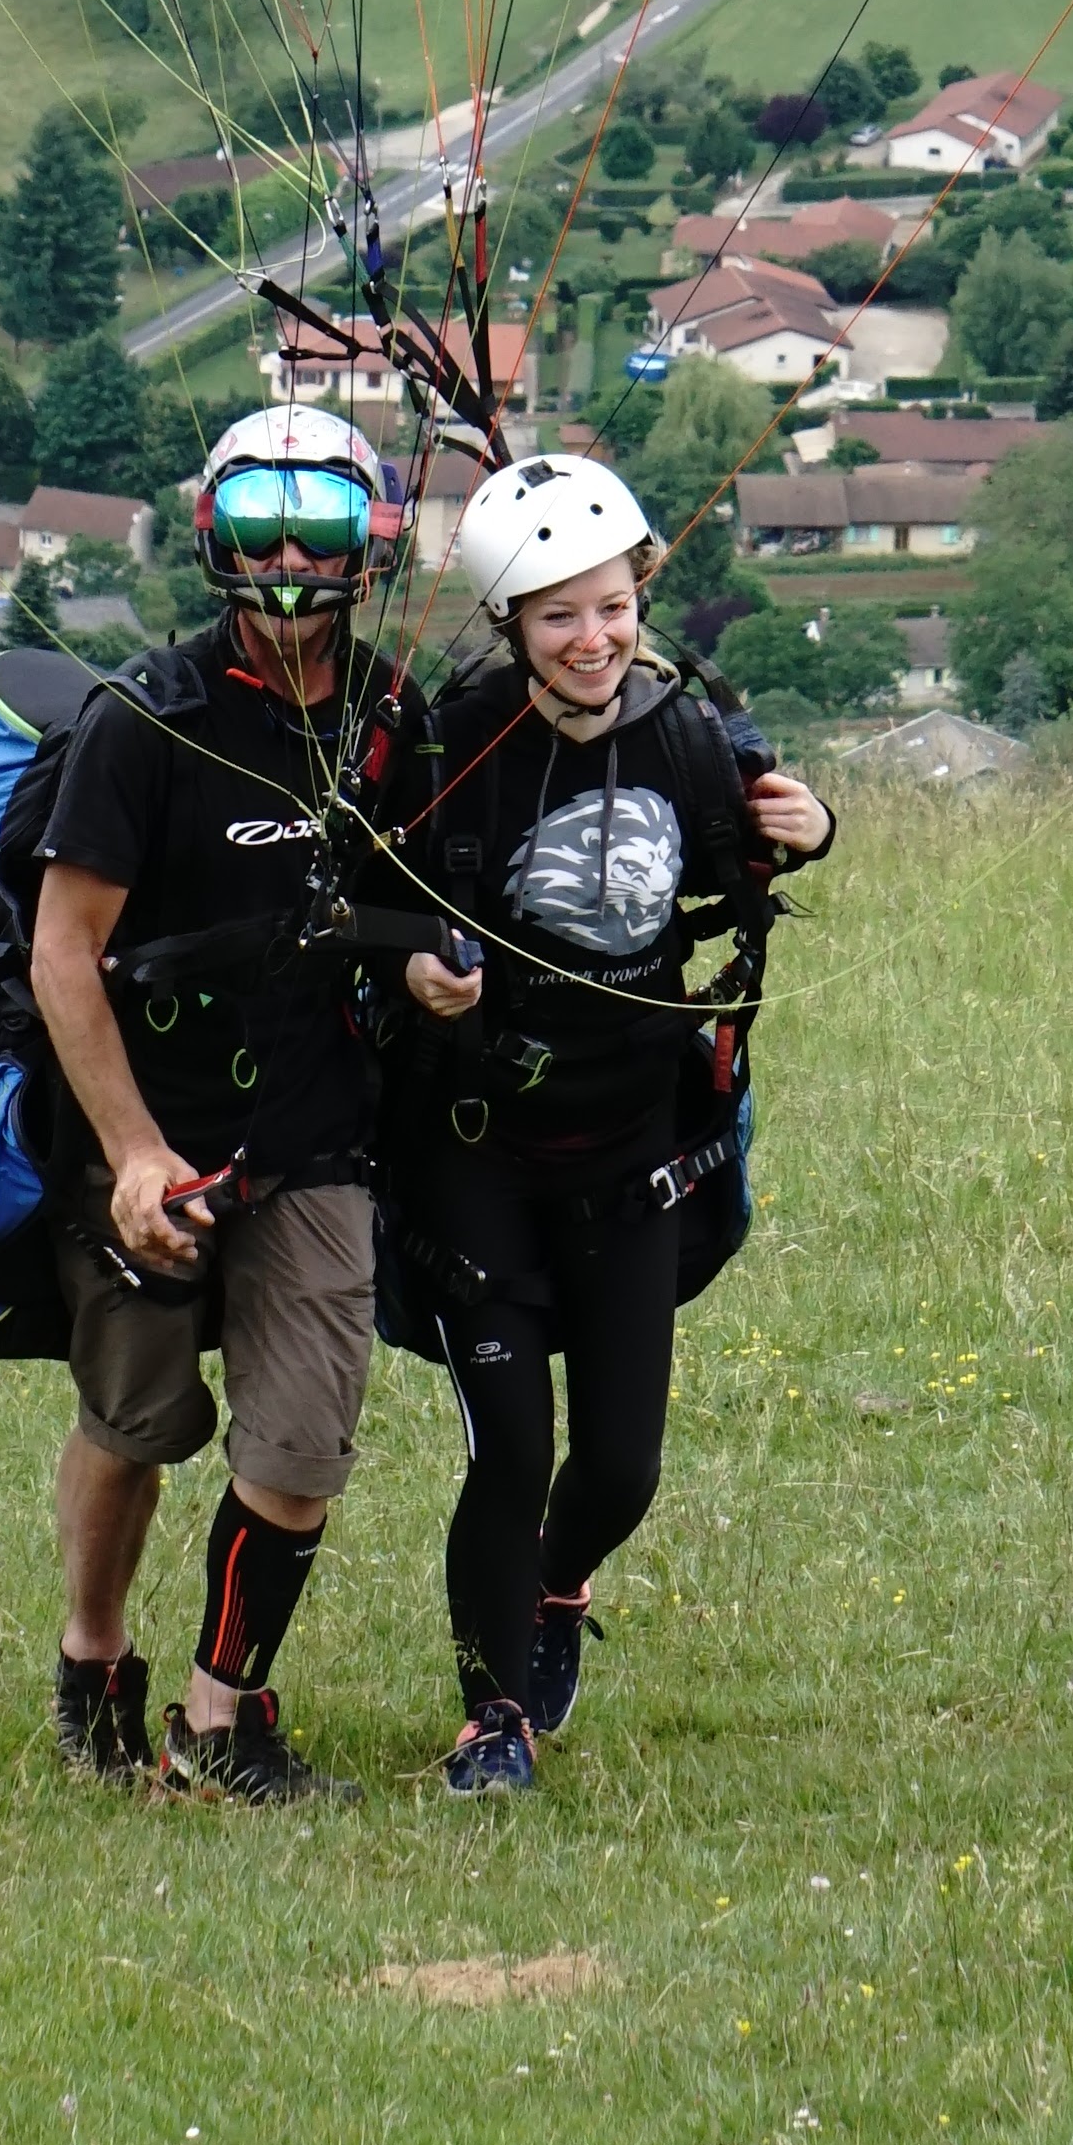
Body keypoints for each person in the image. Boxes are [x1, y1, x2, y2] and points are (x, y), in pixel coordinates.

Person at [10, 401, 456, 1806]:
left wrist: (432, 975)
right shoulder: (147, 723)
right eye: (259, 520)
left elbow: (407, 910)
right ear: (214, 534)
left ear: (368, 545)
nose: (287, 557)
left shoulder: (394, 720)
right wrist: (134, 1153)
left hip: (312, 1129)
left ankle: (217, 1722)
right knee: (136, 1421)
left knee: (302, 1444)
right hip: (148, 1124)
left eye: (320, 525)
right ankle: (93, 1655)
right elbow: (63, 953)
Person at [387, 451, 833, 1798]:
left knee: (622, 1466)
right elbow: (373, 905)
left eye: (614, 608)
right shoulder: (452, 749)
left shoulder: (690, 736)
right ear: (511, 625)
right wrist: (413, 970)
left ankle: (557, 1586)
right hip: (480, 1152)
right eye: (559, 616)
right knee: (513, 1451)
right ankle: (492, 1718)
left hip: (633, 1150)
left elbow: (750, 852)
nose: (593, 640)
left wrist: (813, 828)